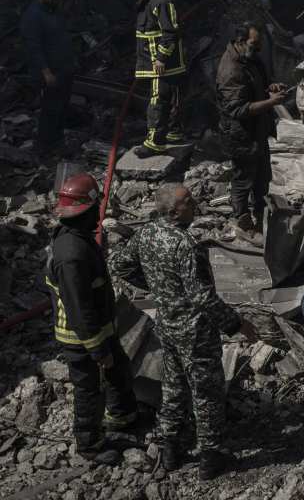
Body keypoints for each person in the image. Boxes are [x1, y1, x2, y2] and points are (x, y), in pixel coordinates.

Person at [109, 184, 256, 480]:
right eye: (188, 201)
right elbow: (202, 297)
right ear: (174, 212)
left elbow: (118, 264)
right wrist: (236, 324)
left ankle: (169, 449)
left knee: (173, 387)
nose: (195, 202)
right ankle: (210, 457)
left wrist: (158, 288)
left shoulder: (146, 233)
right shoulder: (187, 245)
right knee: (207, 393)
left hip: (167, 326)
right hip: (196, 332)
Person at [46, 173, 137, 465]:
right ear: (86, 209)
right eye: (96, 206)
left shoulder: (77, 238)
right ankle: (90, 445)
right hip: (82, 336)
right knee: (89, 388)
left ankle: (121, 417)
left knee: (118, 369)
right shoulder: (71, 254)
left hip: (100, 328)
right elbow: (79, 308)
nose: (100, 211)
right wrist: (97, 349)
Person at [215, 22, 288, 242]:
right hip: (241, 136)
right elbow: (237, 109)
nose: (258, 49)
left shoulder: (250, 58)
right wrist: (271, 102)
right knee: (243, 180)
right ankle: (243, 223)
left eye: (259, 45)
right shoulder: (230, 70)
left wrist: (270, 88)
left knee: (262, 178)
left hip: (258, 132)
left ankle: (261, 218)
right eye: (254, 45)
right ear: (240, 42)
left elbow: (258, 85)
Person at [130, 0, 188, 157]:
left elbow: (170, 32)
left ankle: (155, 143)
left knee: (157, 101)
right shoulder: (146, 3)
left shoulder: (160, 2)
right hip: (157, 63)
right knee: (170, 98)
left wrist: (161, 58)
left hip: (162, 65)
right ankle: (172, 132)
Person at [21, 0, 78, 155]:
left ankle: (57, 143)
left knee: (61, 107)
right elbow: (34, 48)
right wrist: (46, 72)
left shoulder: (54, 11)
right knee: (50, 109)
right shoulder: (33, 15)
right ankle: (44, 147)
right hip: (49, 72)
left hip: (63, 69)